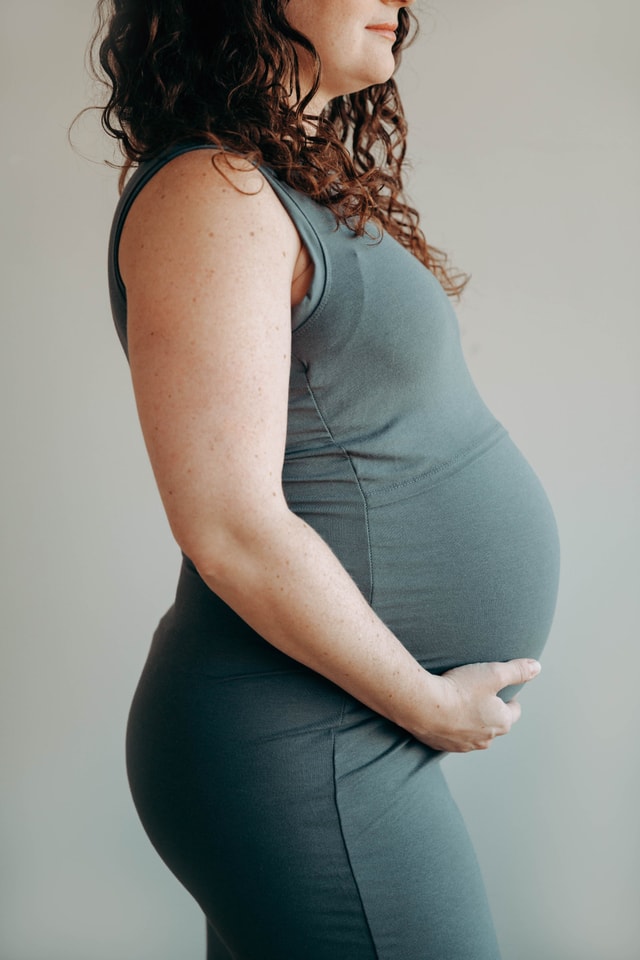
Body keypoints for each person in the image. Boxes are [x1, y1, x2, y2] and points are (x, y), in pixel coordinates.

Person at [95, 0, 560, 956]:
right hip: (298, 739)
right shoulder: (212, 193)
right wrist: (427, 704)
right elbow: (227, 523)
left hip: (330, 726)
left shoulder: (277, 179)